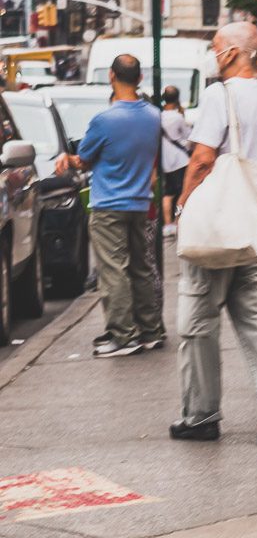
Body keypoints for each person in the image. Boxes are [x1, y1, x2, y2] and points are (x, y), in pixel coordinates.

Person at [170, 22, 257, 445]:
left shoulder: (218, 94)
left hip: (217, 228)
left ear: (231, 54)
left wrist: (182, 206)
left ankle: (201, 415)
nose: (212, 55)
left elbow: (202, 160)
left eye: (215, 48)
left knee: (197, 321)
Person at [55, 54, 162, 358]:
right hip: (140, 202)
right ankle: (150, 330)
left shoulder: (104, 120)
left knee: (113, 270)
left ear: (112, 76)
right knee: (141, 267)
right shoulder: (154, 116)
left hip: (109, 204)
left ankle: (123, 335)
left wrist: (67, 159)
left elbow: (83, 158)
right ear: (139, 78)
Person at [160, 85, 192, 238]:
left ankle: (168, 224)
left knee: (167, 194)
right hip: (180, 161)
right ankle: (178, 221)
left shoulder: (158, 116)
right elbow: (187, 138)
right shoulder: (178, 117)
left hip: (165, 162)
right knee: (182, 193)